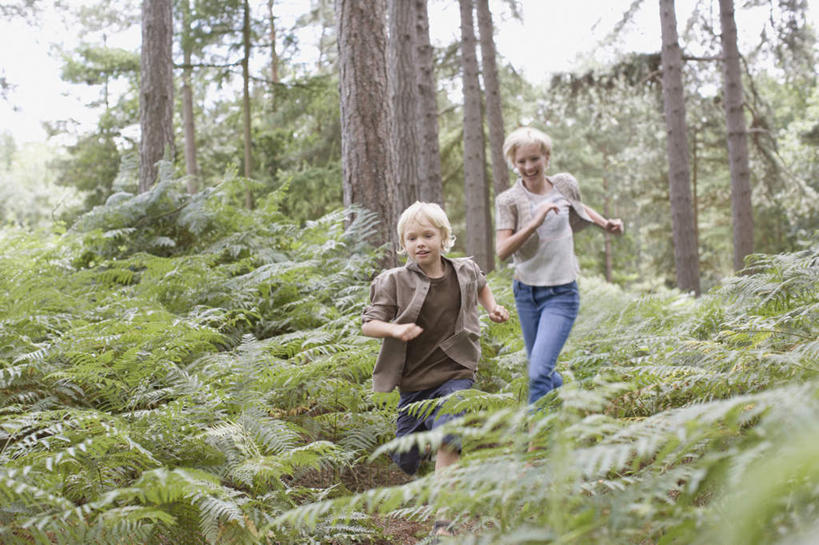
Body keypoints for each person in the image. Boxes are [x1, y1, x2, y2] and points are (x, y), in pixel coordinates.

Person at [362, 201, 509, 538]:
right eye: (411, 238)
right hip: (414, 382)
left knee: (449, 438)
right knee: (406, 460)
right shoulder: (393, 281)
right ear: (403, 245)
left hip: (456, 371)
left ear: (445, 238)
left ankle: (445, 519)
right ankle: (424, 444)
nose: (420, 243)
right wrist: (395, 330)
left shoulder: (465, 269)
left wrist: (493, 308)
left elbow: (481, 284)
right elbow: (369, 324)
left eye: (428, 235)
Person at [495, 127, 623, 407]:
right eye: (521, 162)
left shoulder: (563, 185)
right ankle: (570, 402)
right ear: (514, 164)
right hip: (526, 293)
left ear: (546, 158)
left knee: (538, 372)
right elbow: (502, 251)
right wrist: (534, 223)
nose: (529, 167)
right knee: (543, 372)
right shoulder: (509, 201)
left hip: (562, 294)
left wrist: (605, 224)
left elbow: (578, 206)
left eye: (534, 159)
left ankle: (538, 445)